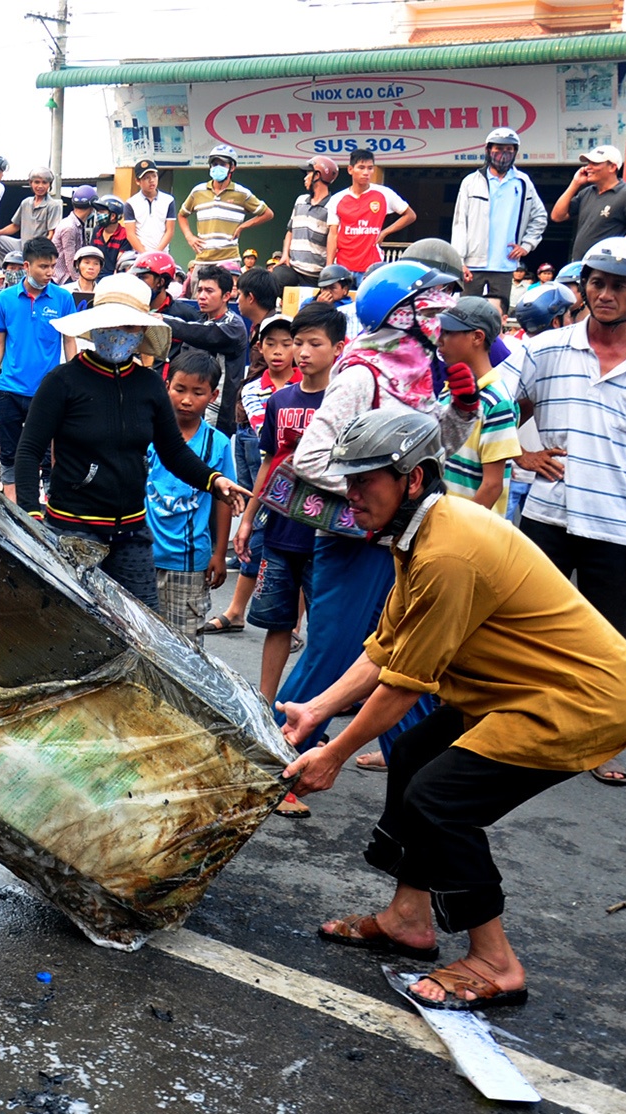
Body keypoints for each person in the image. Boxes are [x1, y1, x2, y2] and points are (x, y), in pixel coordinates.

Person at [280, 407, 626, 1011]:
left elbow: (402, 686)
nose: (352, 493)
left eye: (366, 478)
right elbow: (386, 647)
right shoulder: (423, 531)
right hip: (520, 689)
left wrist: (335, 756)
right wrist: (315, 711)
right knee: (418, 751)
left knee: (441, 798)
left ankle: (495, 962)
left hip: (580, 699)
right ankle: (408, 918)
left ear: (414, 479)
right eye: (349, 479)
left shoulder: (448, 551)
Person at [279, 262, 482, 797]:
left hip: (403, 542)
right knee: (331, 658)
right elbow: (312, 456)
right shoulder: (362, 374)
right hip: (356, 543)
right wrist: (374, 490)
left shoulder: (418, 372)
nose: (445, 320)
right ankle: (268, 769)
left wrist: (462, 409)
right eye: (434, 307)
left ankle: (419, 779)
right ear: (403, 314)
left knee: (405, 662)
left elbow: (433, 454)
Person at [498, 239, 626, 781]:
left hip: (618, 524)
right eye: (597, 283)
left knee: (608, 643)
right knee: (524, 629)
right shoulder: (546, 348)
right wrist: (520, 453)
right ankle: (519, 730)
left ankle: (600, 743)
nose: (605, 294)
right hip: (548, 515)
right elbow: (503, 406)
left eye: (619, 285)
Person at [18, 274, 249, 608]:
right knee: (68, 624)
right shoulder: (62, 381)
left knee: (144, 631)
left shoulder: (149, 385)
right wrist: (32, 518)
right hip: (71, 530)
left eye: (130, 328)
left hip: (132, 534)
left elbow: (172, 451)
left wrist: (214, 481)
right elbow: (28, 451)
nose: (121, 335)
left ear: (142, 333)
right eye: (113, 325)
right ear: (96, 327)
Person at [239, 303, 344, 703]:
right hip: (281, 531)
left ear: (338, 348)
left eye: (313, 343)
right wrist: (249, 520)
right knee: (276, 622)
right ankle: (265, 705)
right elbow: (268, 462)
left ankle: (312, 708)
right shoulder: (280, 401)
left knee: (324, 630)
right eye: (298, 342)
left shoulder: (345, 402)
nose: (302, 351)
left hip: (327, 534)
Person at [211, 312, 300, 635]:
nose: (278, 351)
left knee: (301, 554)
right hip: (269, 471)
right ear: (259, 347)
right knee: (256, 538)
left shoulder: (310, 384)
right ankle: (236, 611)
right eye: (270, 344)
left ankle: (293, 626)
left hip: (303, 480)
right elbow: (273, 441)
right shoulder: (252, 389)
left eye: (286, 344)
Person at [147, 349, 236, 641]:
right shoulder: (146, 433)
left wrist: (220, 553)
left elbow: (225, 502)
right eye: (180, 389)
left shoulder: (217, 444)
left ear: (213, 396)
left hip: (189, 560)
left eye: (198, 392)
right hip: (141, 554)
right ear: (166, 386)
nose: (187, 399)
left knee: (184, 644)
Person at [0, 236, 74, 505]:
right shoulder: (6, 299)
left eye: (53, 266)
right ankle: (14, 509)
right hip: (10, 388)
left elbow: (69, 340)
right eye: (44, 266)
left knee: (46, 453)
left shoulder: (63, 298)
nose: (49, 272)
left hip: (46, 391)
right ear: (26, 265)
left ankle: (45, 506)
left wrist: (73, 379)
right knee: (10, 453)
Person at [435, 297, 523, 516]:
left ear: (477, 337)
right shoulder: (449, 390)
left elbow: (492, 486)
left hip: (468, 531)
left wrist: (456, 531)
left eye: (449, 333)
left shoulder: (496, 400)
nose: (440, 341)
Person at [451, 128, 547, 308]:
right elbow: (459, 223)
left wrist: (527, 245)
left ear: (515, 152)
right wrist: (459, 262)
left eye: (509, 150)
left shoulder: (523, 182)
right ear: (488, 150)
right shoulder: (471, 182)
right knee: (465, 312)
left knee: (497, 316)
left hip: (505, 264)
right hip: (473, 264)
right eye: (499, 149)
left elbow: (540, 216)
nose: (504, 154)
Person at [161, 264, 250, 433]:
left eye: (209, 291)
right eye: (200, 289)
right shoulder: (200, 321)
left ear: (226, 295)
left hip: (217, 413)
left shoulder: (233, 325)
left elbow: (205, 333)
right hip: (188, 410)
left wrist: (163, 320)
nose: (202, 296)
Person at [325, 150, 416, 276]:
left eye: (370, 168)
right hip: (343, 267)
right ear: (350, 169)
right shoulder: (337, 199)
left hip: (373, 267)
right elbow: (333, 235)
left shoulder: (384, 194)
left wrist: (385, 232)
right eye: (361, 168)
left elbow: (410, 215)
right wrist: (329, 267)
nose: (366, 172)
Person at [178, 145, 273, 266]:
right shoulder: (198, 191)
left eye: (222, 164)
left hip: (229, 260)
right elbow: (182, 215)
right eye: (214, 164)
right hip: (202, 260)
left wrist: (243, 226)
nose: (217, 167)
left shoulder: (242, 193)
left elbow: (268, 214)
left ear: (232, 167)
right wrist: (189, 237)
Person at [552, 145, 626, 262]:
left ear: (612, 167)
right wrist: (575, 183)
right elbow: (557, 216)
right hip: (580, 263)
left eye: (595, 164)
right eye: (588, 163)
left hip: (607, 266)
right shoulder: (587, 192)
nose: (588, 168)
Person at [274, 156, 338, 292]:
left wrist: (328, 271)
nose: (305, 178)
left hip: (315, 274)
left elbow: (333, 239)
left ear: (318, 175)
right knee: (274, 279)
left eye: (308, 173)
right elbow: (290, 231)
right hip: (293, 268)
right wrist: (285, 254)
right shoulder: (300, 200)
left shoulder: (333, 206)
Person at [125, 159, 176, 255]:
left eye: (154, 176)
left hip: (162, 254)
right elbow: (130, 234)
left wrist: (157, 253)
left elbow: (169, 231)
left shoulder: (169, 200)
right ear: (137, 181)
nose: (151, 180)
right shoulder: (130, 203)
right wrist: (145, 255)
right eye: (146, 178)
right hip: (139, 256)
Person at [52, 186, 97, 283]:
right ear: (92, 206)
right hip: (63, 278)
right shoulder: (70, 227)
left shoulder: (78, 224)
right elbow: (70, 260)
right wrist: (79, 282)